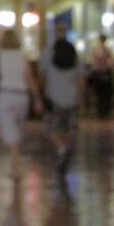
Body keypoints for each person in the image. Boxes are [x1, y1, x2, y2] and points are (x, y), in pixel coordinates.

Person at [0, 28, 42, 178]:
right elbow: (30, 79)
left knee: (9, 129)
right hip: (22, 96)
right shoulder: (22, 57)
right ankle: (16, 160)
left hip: (5, 94)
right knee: (17, 129)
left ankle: (16, 163)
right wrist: (37, 98)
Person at [41, 23, 84, 173]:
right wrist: (81, 96)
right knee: (68, 128)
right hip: (71, 97)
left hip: (54, 97)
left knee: (50, 128)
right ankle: (64, 150)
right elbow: (80, 77)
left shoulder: (48, 54)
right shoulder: (73, 55)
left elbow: (43, 75)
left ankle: (62, 149)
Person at [89, 34, 114, 118]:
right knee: (101, 94)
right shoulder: (98, 50)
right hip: (101, 74)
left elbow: (110, 62)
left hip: (104, 73)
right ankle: (102, 111)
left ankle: (104, 111)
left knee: (104, 94)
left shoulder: (106, 50)